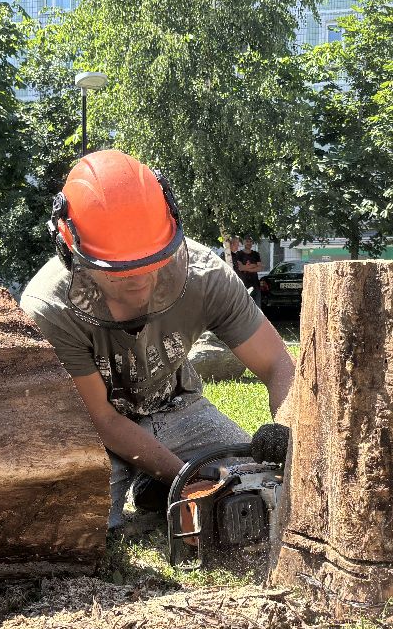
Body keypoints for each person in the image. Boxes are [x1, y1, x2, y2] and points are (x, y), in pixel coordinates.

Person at [22, 150, 295, 531]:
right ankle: (160, 483)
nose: (138, 282)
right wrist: (187, 477)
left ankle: (156, 487)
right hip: (91, 427)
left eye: (151, 266)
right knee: (85, 527)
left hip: (177, 408)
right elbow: (102, 419)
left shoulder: (205, 276)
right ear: (71, 252)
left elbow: (277, 363)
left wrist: (286, 430)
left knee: (254, 488)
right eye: (119, 274)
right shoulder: (50, 307)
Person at [233, 236, 263, 305]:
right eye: (247, 241)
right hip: (243, 285)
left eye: (250, 241)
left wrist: (247, 268)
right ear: (243, 242)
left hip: (255, 284)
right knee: (244, 306)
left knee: (257, 307)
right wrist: (254, 266)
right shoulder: (239, 254)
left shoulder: (256, 254)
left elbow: (260, 268)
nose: (249, 243)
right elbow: (240, 268)